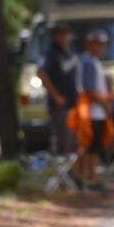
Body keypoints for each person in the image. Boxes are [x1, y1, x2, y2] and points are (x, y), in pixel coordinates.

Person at [36, 22, 79, 155]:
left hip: (75, 103)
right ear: (54, 37)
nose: (63, 37)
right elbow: (41, 73)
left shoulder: (72, 51)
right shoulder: (50, 53)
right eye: (59, 34)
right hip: (61, 105)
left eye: (65, 34)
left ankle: (74, 173)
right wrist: (56, 96)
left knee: (76, 140)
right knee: (64, 140)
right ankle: (62, 172)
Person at [78, 29, 113, 192]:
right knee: (89, 147)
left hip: (97, 112)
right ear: (89, 45)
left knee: (94, 146)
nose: (101, 48)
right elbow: (90, 90)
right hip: (92, 112)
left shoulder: (94, 62)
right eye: (97, 44)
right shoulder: (88, 62)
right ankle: (87, 179)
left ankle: (89, 178)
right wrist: (105, 104)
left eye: (103, 44)